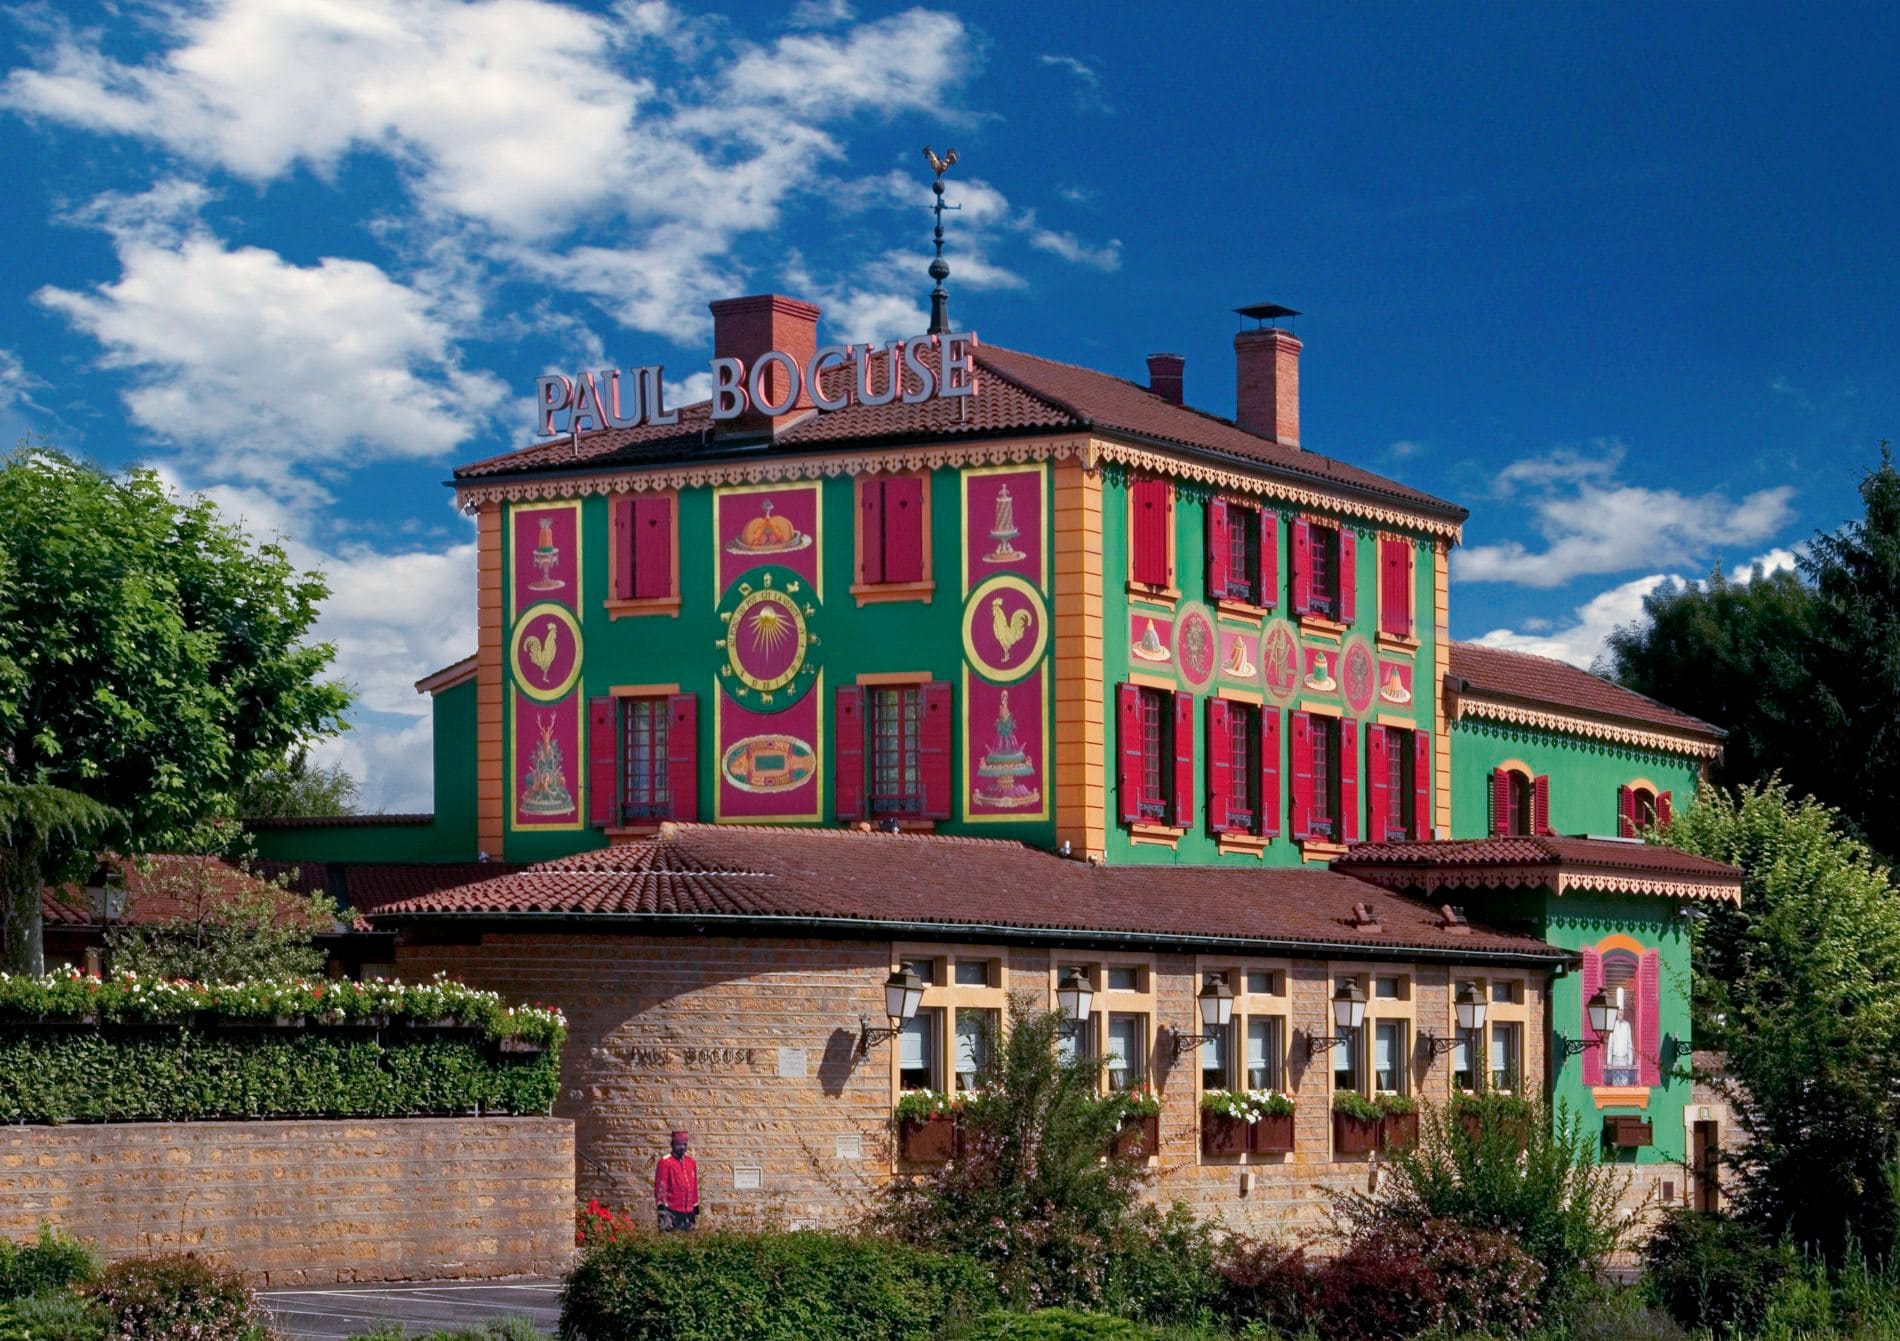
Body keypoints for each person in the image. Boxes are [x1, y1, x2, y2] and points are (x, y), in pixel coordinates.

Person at [654, 1128, 699, 1232]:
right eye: (679, 1144)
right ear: (672, 1144)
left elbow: (694, 1187)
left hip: (688, 1211)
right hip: (671, 1211)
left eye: (685, 1144)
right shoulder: (665, 1162)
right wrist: (663, 1212)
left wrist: (695, 1209)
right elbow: (661, 1189)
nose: (682, 1147)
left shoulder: (691, 1162)